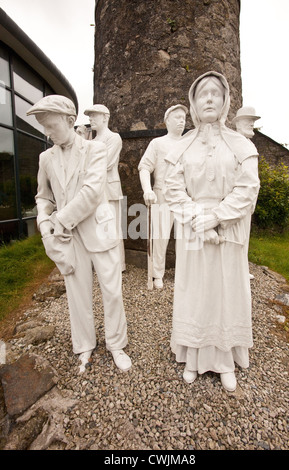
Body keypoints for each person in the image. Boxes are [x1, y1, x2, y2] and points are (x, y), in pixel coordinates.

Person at [163, 71, 260, 391]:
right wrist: (197, 220)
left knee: (225, 293)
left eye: (215, 94)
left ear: (225, 101)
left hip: (228, 230)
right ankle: (193, 357)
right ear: (193, 102)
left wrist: (217, 217)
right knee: (196, 292)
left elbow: (248, 188)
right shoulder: (183, 146)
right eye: (202, 93)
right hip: (193, 231)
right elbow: (173, 189)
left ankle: (223, 361)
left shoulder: (239, 143)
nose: (208, 99)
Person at [27, 95, 131, 374]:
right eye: (43, 128)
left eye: (50, 126)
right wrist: (43, 221)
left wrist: (59, 219)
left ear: (70, 121)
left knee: (111, 290)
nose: (47, 133)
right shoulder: (45, 158)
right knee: (77, 293)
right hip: (68, 237)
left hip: (99, 227)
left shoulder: (95, 150)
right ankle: (85, 344)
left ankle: (116, 344)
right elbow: (43, 197)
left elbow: (92, 192)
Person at [138, 104, 188, 288]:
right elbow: (144, 167)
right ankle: (157, 273)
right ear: (167, 120)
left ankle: (185, 273)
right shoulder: (158, 144)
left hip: (184, 195)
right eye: (177, 117)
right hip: (162, 193)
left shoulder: (189, 143)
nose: (182, 121)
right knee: (160, 237)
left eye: (184, 118)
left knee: (186, 236)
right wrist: (147, 189)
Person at [84, 104, 126, 271]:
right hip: (94, 189)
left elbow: (105, 164)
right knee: (97, 228)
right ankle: (102, 265)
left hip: (109, 189)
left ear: (105, 117)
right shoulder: (91, 142)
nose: (90, 119)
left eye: (94, 115)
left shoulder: (113, 138)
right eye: (89, 116)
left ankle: (118, 264)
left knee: (113, 228)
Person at [232, 106, 261, 280]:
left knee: (244, 237)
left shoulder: (249, 144)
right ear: (238, 124)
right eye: (248, 120)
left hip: (248, 199)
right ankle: (234, 270)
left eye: (253, 121)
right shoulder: (235, 144)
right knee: (236, 236)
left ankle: (241, 268)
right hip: (238, 197)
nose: (251, 124)